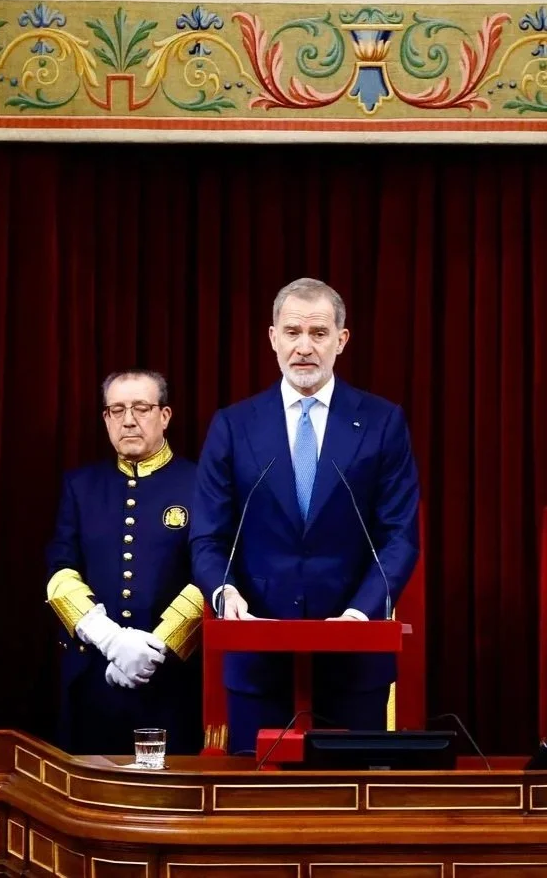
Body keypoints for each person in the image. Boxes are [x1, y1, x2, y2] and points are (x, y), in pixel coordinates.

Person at [190, 278, 420, 754]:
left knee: (351, 793)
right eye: (292, 332)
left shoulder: (382, 422)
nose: (304, 347)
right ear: (272, 337)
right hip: (258, 654)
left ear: (342, 339)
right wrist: (224, 592)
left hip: (355, 657)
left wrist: (360, 612)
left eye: (318, 333)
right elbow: (208, 536)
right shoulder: (234, 425)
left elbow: (399, 536)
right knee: (258, 794)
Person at [46, 369, 203, 755]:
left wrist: (156, 648)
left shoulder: (200, 483)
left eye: (141, 408)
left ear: (164, 415)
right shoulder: (81, 486)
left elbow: (211, 574)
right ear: (106, 418)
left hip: (173, 683)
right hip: (93, 678)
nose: (128, 420)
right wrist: (109, 639)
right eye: (116, 410)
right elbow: (60, 571)